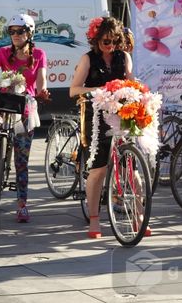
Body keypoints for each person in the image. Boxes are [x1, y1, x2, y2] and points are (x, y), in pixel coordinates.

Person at [69, 16, 143, 239]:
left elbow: (131, 81)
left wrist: (135, 92)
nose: (110, 46)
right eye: (105, 42)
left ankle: (139, 215)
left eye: (113, 42)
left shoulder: (124, 57)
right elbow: (74, 90)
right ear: (96, 41)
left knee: (131, 165)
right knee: (99, 168)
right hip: (97, 115)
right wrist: (100, 90)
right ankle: (94, 218)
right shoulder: (88, 59)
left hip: (121, 112)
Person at [0, 13, 49, 223]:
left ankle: (22, 205)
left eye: (20, 31)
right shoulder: (3, 52)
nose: (15, 35)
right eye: (12, 31)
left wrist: (42, 92)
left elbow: (41, 81)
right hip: (4, 103)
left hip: (24, 107)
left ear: (30, 33)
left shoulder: (39, 54)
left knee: (21, 161)